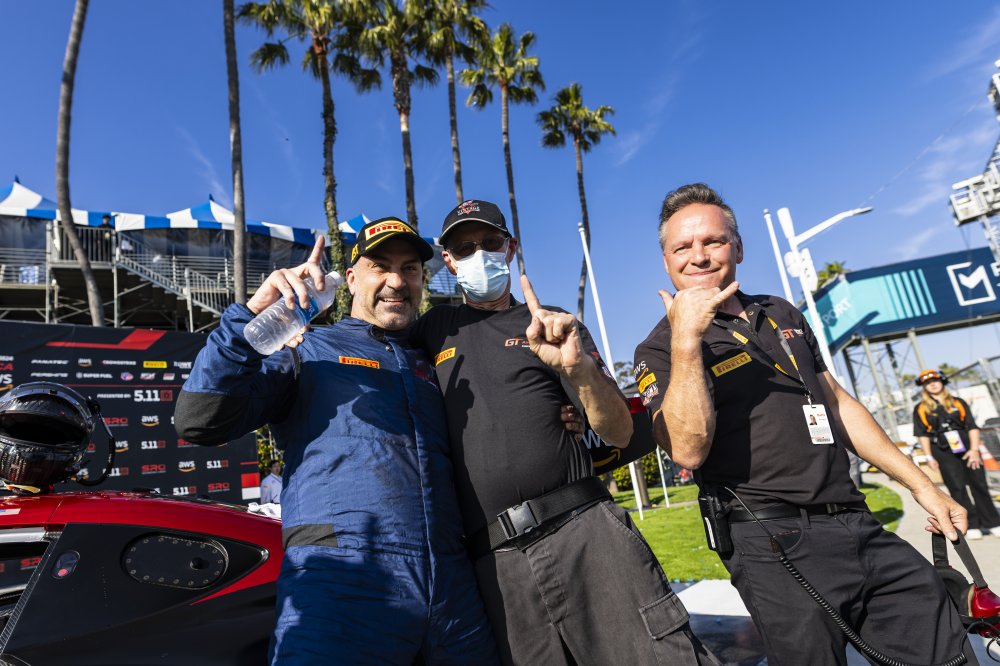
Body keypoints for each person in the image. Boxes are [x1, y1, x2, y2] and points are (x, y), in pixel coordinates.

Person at [633, 183, 976, 665]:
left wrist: (923, 487)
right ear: (666, 261)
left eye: (713, 241)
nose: (699, 256)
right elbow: (687, 450)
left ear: (738, 247)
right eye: (682, 247)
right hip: (772, 540)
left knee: (945, 644)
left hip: (855, 519)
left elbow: (838, 403)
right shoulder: (657, 348)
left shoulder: (780, 311)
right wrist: (687, 340)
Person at [175, 218, 498, 665]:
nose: (396, 281)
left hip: (453, 591)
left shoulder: (435, 363)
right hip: (341, 581)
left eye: (409, 269)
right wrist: (252, 316)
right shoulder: (307, 349)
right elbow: (199, 420)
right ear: (350, 279)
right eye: (379, 266)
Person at [410, 199, 719, 665]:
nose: (480, 255)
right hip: (496, 565)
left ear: (510, 248)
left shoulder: (553, 324)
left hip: (585, 532)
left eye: (490, 242)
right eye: (465, 248)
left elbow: (618, 432)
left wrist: (578, 371)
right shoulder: (432, 331)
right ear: (449, 261)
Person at [915, 368, 1000, 540]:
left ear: (942, 382)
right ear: (924, 387)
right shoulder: (921, 408)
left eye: (935, 381)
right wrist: (929, 456)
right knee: (957, 487)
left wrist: (974, 450)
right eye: (928, 383)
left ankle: (992, 522)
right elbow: (922, 434)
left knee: (979, 484)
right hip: (943, 451)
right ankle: (972, 524)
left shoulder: (958, 402)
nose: (932, 384)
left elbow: (972, 427)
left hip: (968, 448)